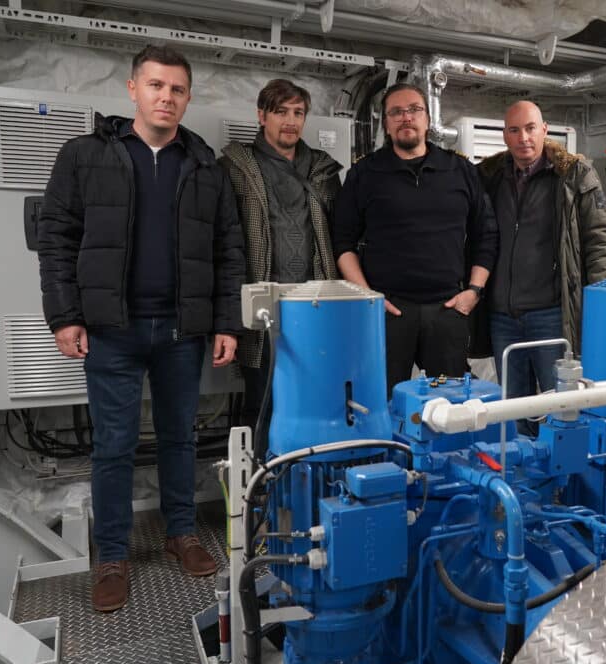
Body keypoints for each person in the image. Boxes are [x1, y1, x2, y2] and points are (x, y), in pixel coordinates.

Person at [37, 44, 245, 612]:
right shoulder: (84, 156)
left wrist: (226, 321)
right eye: (155, 86)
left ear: (187, 97)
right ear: (133, 89)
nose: (166, 97)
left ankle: (181, 532)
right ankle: (111, 556)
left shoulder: (206, 166)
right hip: (112, 329)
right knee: (114, 445)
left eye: (177, 89)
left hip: (182, 331)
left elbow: (229, 251)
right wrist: (65, 315)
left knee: (180, 437)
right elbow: (56, 239)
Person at [331, 83, 498, 394]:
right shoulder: (364, 174)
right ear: (386, 123)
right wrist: (369, 298)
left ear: (427, 119)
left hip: (448, 310)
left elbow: (485, 235)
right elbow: (342, 243)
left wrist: (474, 291)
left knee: (449, 409)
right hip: (388, 313)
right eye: (396, 112)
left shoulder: (460, 170)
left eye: (414, 110)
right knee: (378, 404)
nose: (405, 118)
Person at [478, 100, 606, 434]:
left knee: (560, 408)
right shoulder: (490, 177)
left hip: (551, 316)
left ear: (544, 130)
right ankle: (522, 479)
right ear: (505, 136)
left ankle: (560, 483)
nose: (523, 137)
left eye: (530, 128)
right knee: (515, 410)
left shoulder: (573, 174)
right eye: (514, 130)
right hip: (502, 318)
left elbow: (602, 242)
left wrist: (601, 308)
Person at [219, 78, 342, 434]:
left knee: (316, 398)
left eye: (298, 113)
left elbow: (344, 234)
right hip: (262, 307)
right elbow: (222, 239)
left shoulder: (322, 170)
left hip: (315, 305)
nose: (290, 121)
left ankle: (306, 477)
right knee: (262, 403)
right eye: (281, 112)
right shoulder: (235, 168)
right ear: (262, 116)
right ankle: (261, 484)